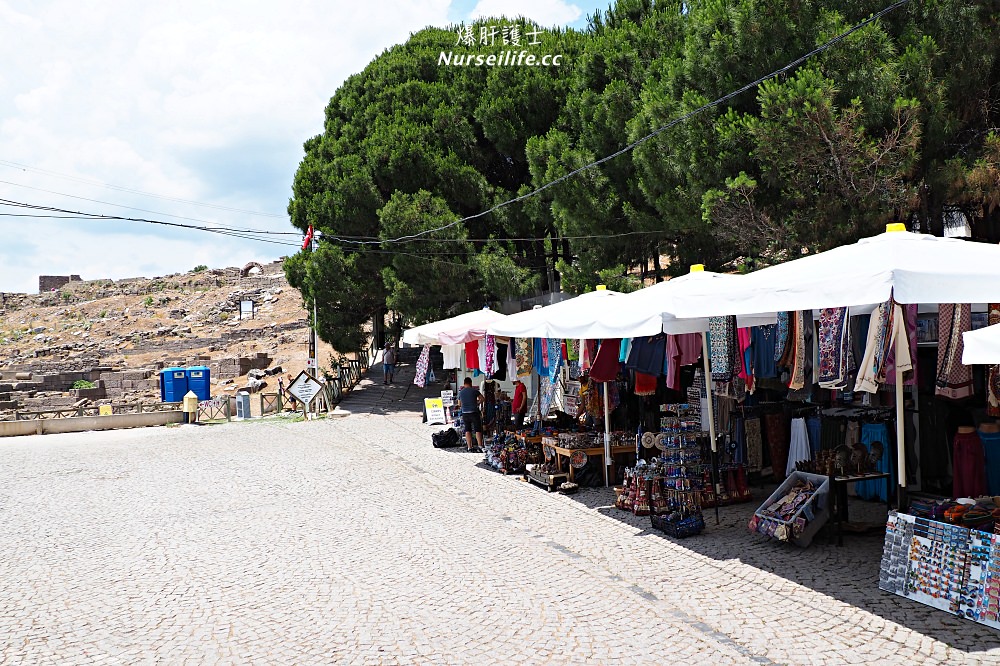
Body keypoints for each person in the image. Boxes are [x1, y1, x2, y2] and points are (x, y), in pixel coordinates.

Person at [458, 376, 485, 452]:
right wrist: (477, 403)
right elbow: (482, 399)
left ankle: (469, 447)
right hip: (474, 412)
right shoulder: (474, 391)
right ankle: (480, 446)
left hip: (465, 413)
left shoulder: (461, 392)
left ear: (464, 384)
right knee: (477, 429)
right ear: (471, 383)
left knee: (467, 430)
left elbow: (459, 404)